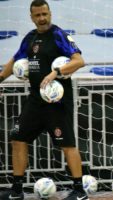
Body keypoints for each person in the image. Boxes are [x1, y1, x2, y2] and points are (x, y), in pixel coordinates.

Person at [0, 0, 87, 199]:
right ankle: (17, 190)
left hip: (57, 102)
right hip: (35, 101)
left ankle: (79, 191)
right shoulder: (29, 38)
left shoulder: (59, 35)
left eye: (45, 14)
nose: (42, 18)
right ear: (31, 17)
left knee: (67, 145)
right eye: (38, 15)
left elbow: (79, 61)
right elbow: (14, 61)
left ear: (50, 13)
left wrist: (55, 72)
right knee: (18, 139)